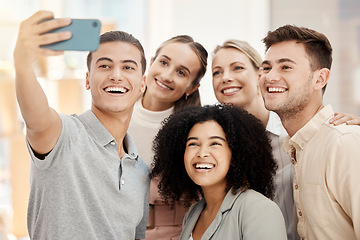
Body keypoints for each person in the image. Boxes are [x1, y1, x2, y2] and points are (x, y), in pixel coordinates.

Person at [14, 11, 150, 239]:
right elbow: (36, 119)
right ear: (88, 79)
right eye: (105, 66)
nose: (116, 75)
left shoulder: (141, 173)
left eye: (128, 67)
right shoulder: (63, 136)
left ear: (142, 84)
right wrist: (23, 65)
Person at [259, 25, 360, 239]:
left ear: (320, 79)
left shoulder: (343, 143)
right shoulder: (296, 147)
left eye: (286, 67)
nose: (270, 77)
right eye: (266, 68)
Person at [151, 104, 287, 240]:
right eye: (193, 144)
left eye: (215, 143)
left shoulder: (258, 209)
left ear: (235, 156)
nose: (202, 153)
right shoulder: (194, 213)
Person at [211, 39, 298, 240]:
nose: (225, 78)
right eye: (217, 72)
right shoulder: (216, 145)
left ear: (260, 75)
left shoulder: (291, 135)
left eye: (237, 68)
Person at [127, 35, 207, 239]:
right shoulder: (115, 113)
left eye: (181, 72)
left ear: (192, 87)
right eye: (163, 62)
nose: (167, 75)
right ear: (151, 62)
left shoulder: (196, 132)